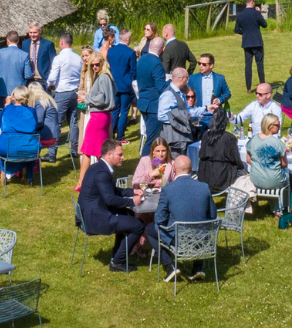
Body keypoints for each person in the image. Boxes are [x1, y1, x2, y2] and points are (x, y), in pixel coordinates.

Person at [144, 155, 216, 282]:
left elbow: (159, 219)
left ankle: (169, 265)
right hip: (201, 239)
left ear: (173, 169)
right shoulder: (204, 187)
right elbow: (212, 215)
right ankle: (198, 266)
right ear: (192, 169)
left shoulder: (168, 190)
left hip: (179, 239)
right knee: (200, 225)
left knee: (151, 229)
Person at [77, 139, 145, 272]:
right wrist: (132, 201)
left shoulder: (98, 167)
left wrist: (132, 191)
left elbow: (111, 190)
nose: (123, 157)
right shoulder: (102, 173)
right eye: (120, 155)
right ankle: (117, 262)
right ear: (109, 154)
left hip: (91, 212)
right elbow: (110, 199)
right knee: (138, 225)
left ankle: (117, 256)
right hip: (95, 218)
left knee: (129, 214)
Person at [77, 49, 116, 190]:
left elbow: (102, 98)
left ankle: (82, 182)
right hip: (103, 116)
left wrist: (86, 98)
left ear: (102, 63)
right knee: (101, 152)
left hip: (98, 117)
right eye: (92, 65)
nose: (94, 67)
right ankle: (103, 181)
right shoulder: (104, 76)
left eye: (97, 64)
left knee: (87, 149)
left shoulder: (103, 77)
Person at [46, 33, 82, 163]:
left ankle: (52, 152)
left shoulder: (59, 58)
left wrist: (50, 85)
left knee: (57, 123)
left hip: (62, 92)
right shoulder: (78, 58)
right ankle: (74, 149)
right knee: (73, 121)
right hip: (74, 92)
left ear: (62, 42)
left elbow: (52, 77)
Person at [0, 87, 43, 180]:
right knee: (24, 148)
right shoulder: (32, 111)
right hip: (29, 147)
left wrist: (7, 105)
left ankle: (4, 171)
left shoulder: (7, 109)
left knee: (9, 148)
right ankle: (25, 174)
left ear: (14, 97)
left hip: (7, 148)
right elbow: (35, 127)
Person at [245, 114, 290, 212]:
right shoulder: (277, 143)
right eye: (278, 125)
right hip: (274, 181)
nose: (280, 127)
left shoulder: (253, 140)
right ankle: (284, 207)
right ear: (270, 126)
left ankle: (275, 207)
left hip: (256, 180)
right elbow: (284, 164)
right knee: (288, 174)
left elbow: (248, 160)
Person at [196, 109, 245, 194]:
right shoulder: (229, 138)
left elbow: (201, 154)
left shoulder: (205, 135)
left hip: (205, 177)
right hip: (223, 179)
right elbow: (237, 161)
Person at [135, 36, 167, 156]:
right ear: (163, 49)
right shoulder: (157, 63)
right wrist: (171, 82)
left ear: (149, 46)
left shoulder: (141, 59)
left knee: (151, 136)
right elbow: (161, 87)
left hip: (143, 102)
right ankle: (143, 166)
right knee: (153, 139)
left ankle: (153, 164)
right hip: (153, 105)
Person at [106, 28, 138, 142]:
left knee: (115, 111)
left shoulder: (111, 51)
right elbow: (134, 71)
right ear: (128, 39)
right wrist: (130, 81)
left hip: (114, 85)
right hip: (126, 85)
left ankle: (111, 135)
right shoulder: (130, 53)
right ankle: (120, 137)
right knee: (124, 112)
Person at [234, 0, 268, 89]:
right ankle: (262, 84)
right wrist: (260, 13)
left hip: (246, 43)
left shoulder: (240, 15)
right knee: (259, 64)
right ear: (252, 2)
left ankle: (248, 88)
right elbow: (264, 25)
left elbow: (236, 30)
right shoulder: (256, 14)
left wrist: (245, 33)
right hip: (257, 42)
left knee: (248, 65)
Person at [187, 53, 231, 124]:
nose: (201, 66)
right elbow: (186, 95)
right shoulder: (193, 79)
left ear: (211, 65)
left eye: (204, 64)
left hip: (215, 116)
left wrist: (220, 100)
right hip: (200, 116)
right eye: (199, 63)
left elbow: (227, 93)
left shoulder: (219, 78)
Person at [0, 30, 29, 99]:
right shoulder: (24, 55)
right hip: (18, 93)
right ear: (18, 41)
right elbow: (28, 75)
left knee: (1, 109)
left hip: (1, 90)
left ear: (7, 40)